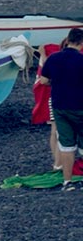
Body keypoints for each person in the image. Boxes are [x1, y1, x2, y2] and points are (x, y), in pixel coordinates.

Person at [38, 27, 83, 186]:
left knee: (66, 144)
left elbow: (43, 81)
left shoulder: (54, 58)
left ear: (68, 39)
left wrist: (55, 82)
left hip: (60, 105)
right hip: (79, 105)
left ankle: (67, 181)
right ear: (81, 43)